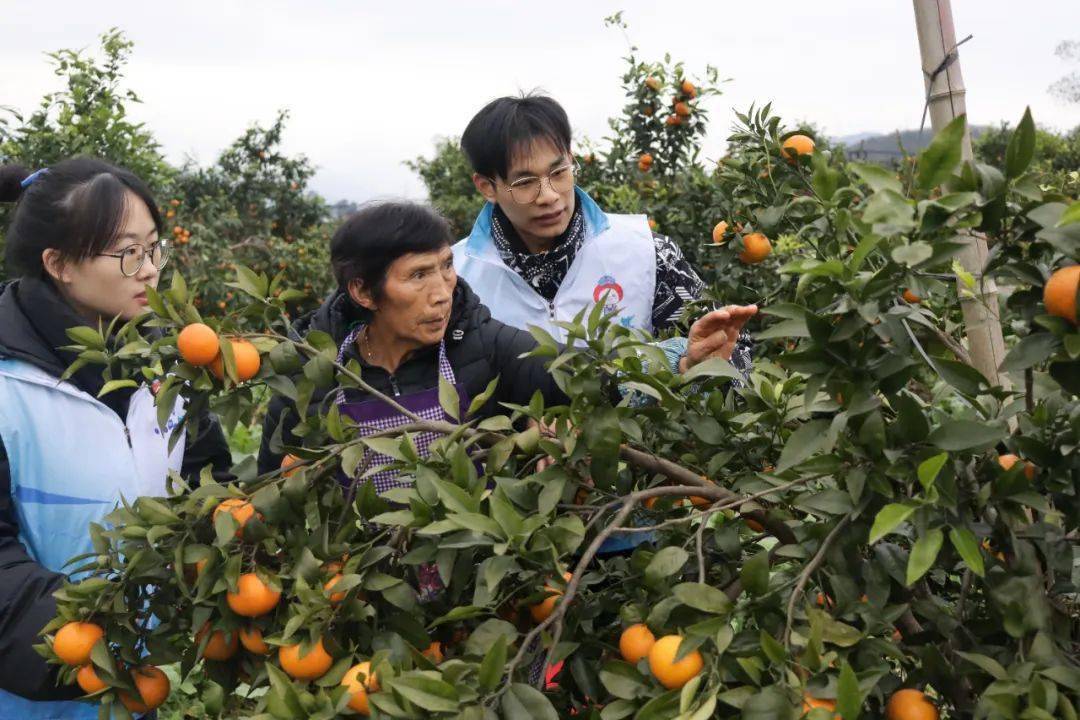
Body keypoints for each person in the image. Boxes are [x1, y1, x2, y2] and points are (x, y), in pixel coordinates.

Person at [257, 201, 754, 482]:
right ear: (363, 291)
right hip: (357, 603)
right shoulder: (312, 371)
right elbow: (272, 485)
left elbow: (583, 381)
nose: (441, 293)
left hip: (475, 596)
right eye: (417, 276)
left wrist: (682, 360)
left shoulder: (480, 341)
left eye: (446, 268)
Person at [0, 159, 232, 718]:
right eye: (128, 253)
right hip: (34, 691)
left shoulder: (173, 369)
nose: (149, 270)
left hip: (131, 689)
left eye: (154, 247)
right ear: (58, 264)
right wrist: (96, 639)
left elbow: (207, 482)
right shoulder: (8, 385)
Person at [452, 92, 755, 377]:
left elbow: (733, 352)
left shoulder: (648, 253)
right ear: (487, 187)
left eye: (559, 173)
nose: (549, 196)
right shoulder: (454, 280)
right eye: (525, 183)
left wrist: (698, 365)